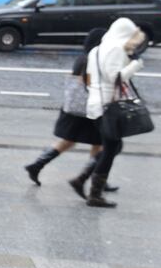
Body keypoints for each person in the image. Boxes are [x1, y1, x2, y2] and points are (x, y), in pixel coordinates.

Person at [24, 28, 120, 199]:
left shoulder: (84, 57)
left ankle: (37, 165)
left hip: (76, 109)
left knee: (73, 142)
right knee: (99, 144)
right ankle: (97, 178)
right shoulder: (93, 59)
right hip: (89, 109)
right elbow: (89, 83)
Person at [82, 18, 146, 208]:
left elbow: (90, 78)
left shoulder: (96, 50)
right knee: (111, 149)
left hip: (95, 105)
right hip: (109, 107)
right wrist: (135, 65)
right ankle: (93, 193)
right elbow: (115, 78)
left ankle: (84, 180)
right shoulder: (116, 49)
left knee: (112, 147)